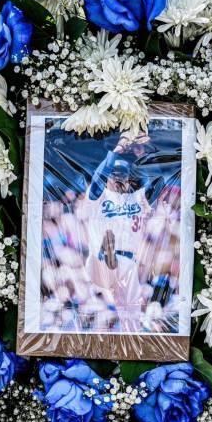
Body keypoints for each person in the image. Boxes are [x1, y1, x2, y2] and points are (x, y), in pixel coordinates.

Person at [80, 131, 153, 330]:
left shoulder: (138, 197)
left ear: (129, 179)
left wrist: (140, 154)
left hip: (128, 264)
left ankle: (131, 338)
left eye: (122, 175)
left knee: (131, 317)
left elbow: (154, 182)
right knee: (104, 265)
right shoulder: (98, 196)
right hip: (99, 260)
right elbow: (98, 177)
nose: (118, 178)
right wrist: (118, 150)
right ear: (109, 178)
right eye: (114, 175)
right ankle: (106, 255)